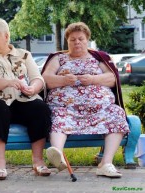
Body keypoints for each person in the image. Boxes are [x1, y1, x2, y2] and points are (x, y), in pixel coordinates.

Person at [41, 22, 130, 178]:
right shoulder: (59, 58)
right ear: (67, 41)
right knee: (58, 117)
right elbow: (45, 79)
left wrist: (93, 79)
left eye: (80, 39)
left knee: (116, 113)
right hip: (65, 109)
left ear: (87, 39)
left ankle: (106, 163)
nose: (77, 42)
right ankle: (58, 155)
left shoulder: (98, 57)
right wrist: (63, 80)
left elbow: (111, 78)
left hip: (100, 111)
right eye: (72, 39)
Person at [0, 19, 52, 180]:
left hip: (22, 99)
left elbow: (38, 79)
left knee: (41, 108)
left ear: (6, 36)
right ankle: (0, 164)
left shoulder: (24, 55)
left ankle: (38, 161)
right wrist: (8, 82)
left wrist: (33, 88)